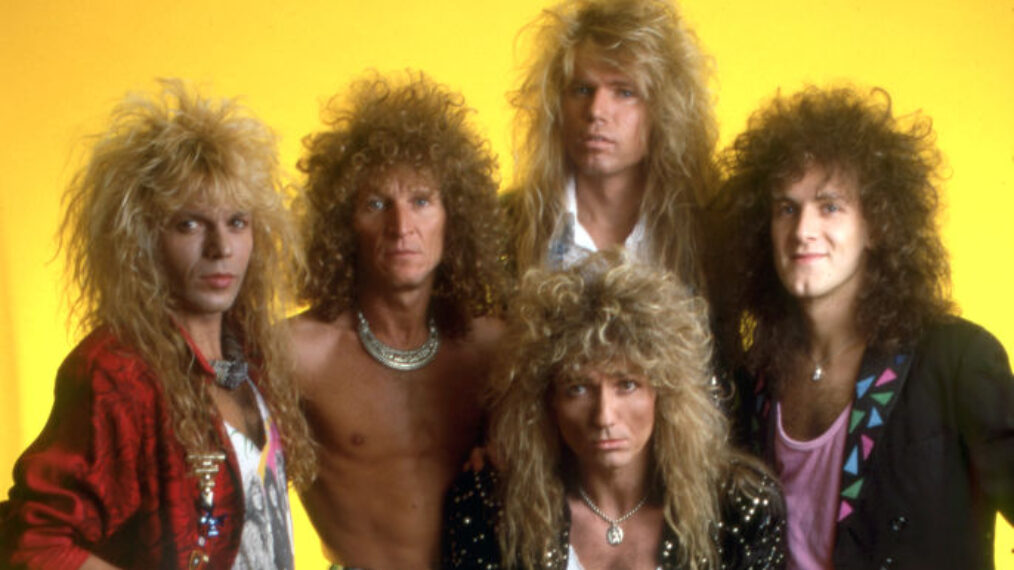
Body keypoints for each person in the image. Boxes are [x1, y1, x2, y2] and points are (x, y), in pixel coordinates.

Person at [0, 80, 315, 569]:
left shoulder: (252, 353)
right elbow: (36, 543)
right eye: (189, 224)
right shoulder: (116, 372)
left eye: (237, 222)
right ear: (142, 239)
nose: (221, 248)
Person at [709, 86, 1014, 569]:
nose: (803, 229)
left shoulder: (955, 359)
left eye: (830, 206)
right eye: (786, 208)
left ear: (877, 224)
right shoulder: (754, 382)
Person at [289, 72, 508, 569]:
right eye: (375, 204)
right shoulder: (299, 354)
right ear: (343, 225)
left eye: (421, 201)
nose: (401, 227)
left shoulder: (494, 350)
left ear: (454, 218)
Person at [444, 251, 786, 569]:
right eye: (578, 389)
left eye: (627, 385)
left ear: (663, 390)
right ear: (546, 400)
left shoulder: (739, 507)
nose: (604, 417)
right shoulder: (490, 506)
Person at [504, 0, 718, 288]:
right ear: (557, 105)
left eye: (624, 92)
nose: (595, 111)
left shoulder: (705, 227)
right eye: (582, 90)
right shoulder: (510, 224)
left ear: (664, 110)